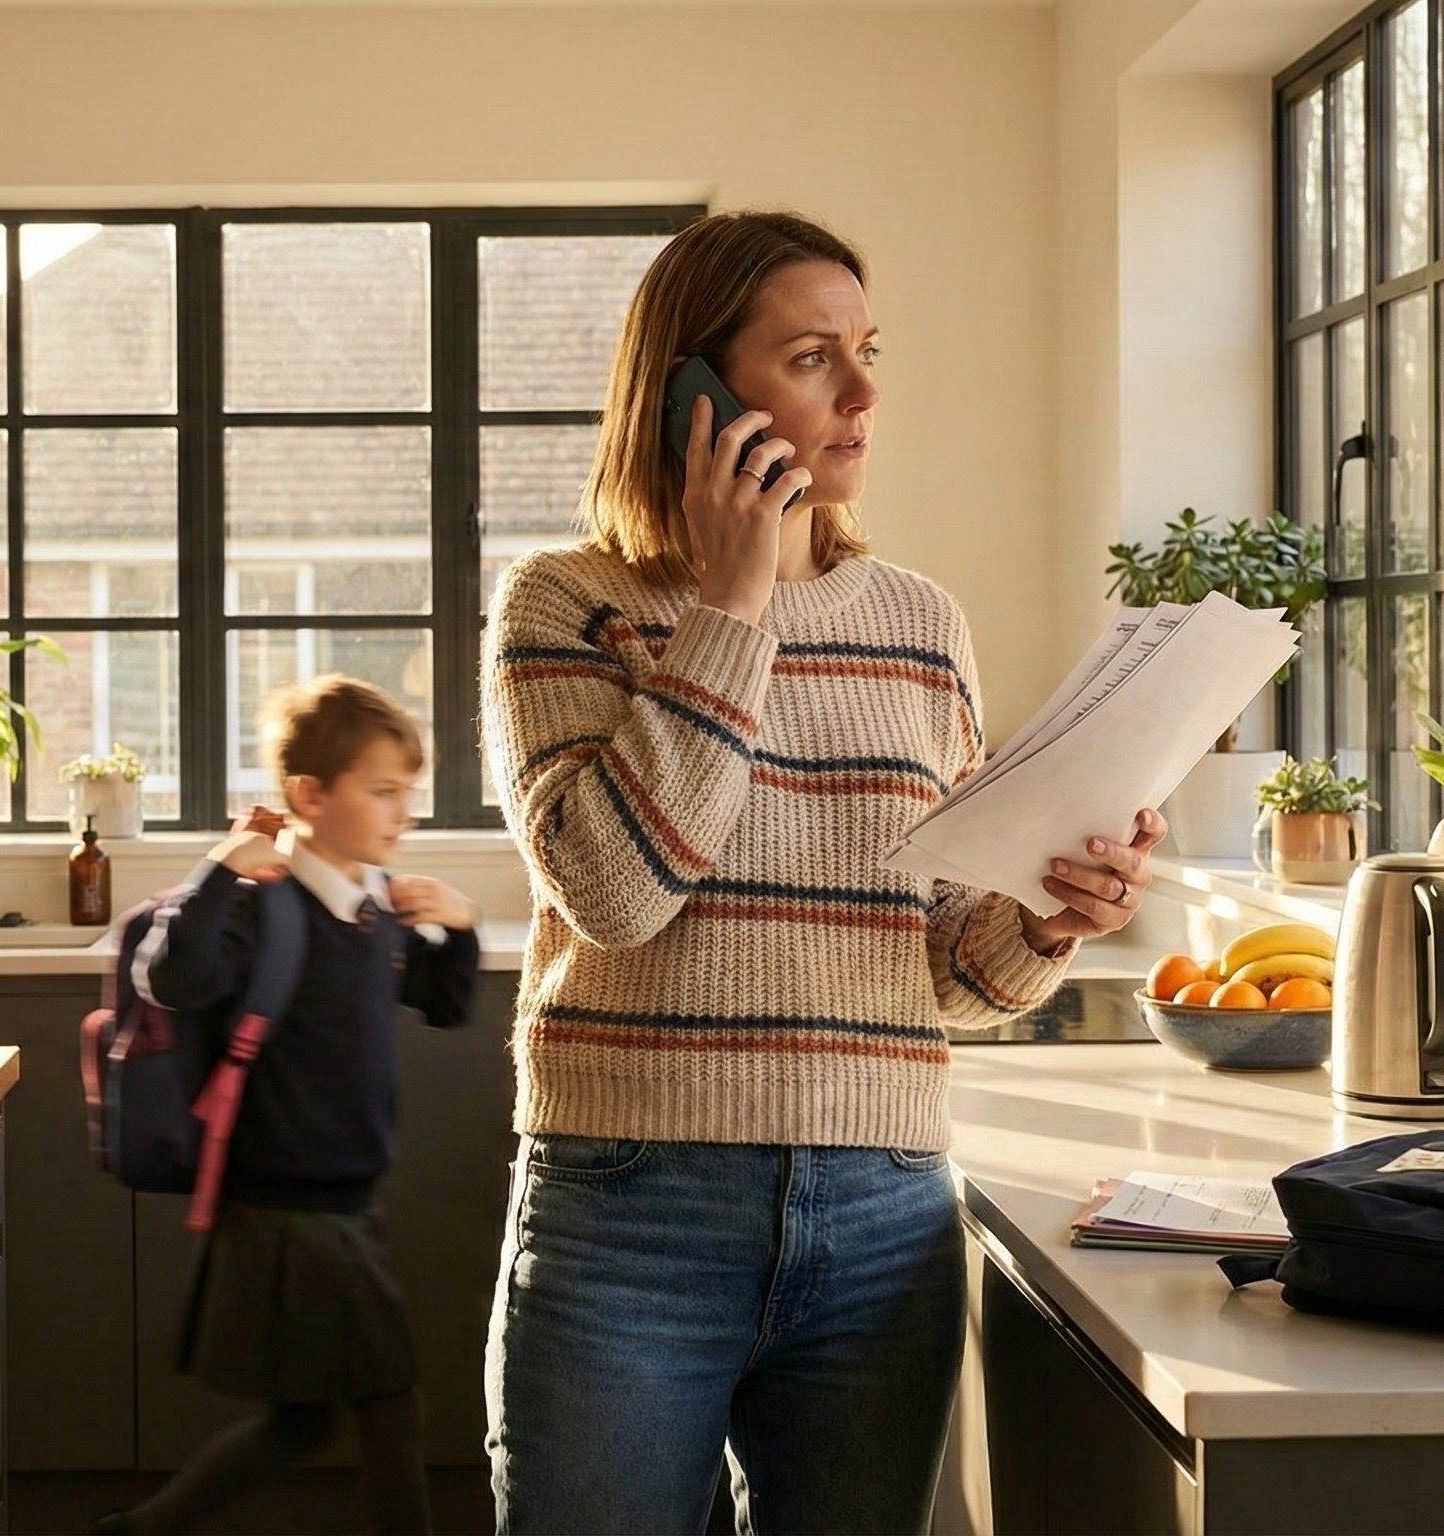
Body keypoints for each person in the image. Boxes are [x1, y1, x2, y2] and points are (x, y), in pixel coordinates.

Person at [479, 210, 1165, 1535]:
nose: (864, 392)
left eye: (867, 349)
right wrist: (734, 610)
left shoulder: (919, 625)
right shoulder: (566, 603)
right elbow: (617, 893)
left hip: (884, 1208)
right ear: (694, 398)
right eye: (811, 358)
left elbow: (943, 973)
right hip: (630, 1212)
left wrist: (1041, 920)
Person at [101, 675, 485, 1536]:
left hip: (344, 1203)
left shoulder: (370, 912)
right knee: (390, 1404)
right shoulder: (261, 906)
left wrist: (459, 925)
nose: (402, 813)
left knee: (303, 1421)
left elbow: (448, 1003)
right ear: (309, 794)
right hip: (291, 1210)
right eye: (383, 791)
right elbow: (168, 975)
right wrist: (218, 866)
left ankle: (137, 1531)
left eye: (407, 794)